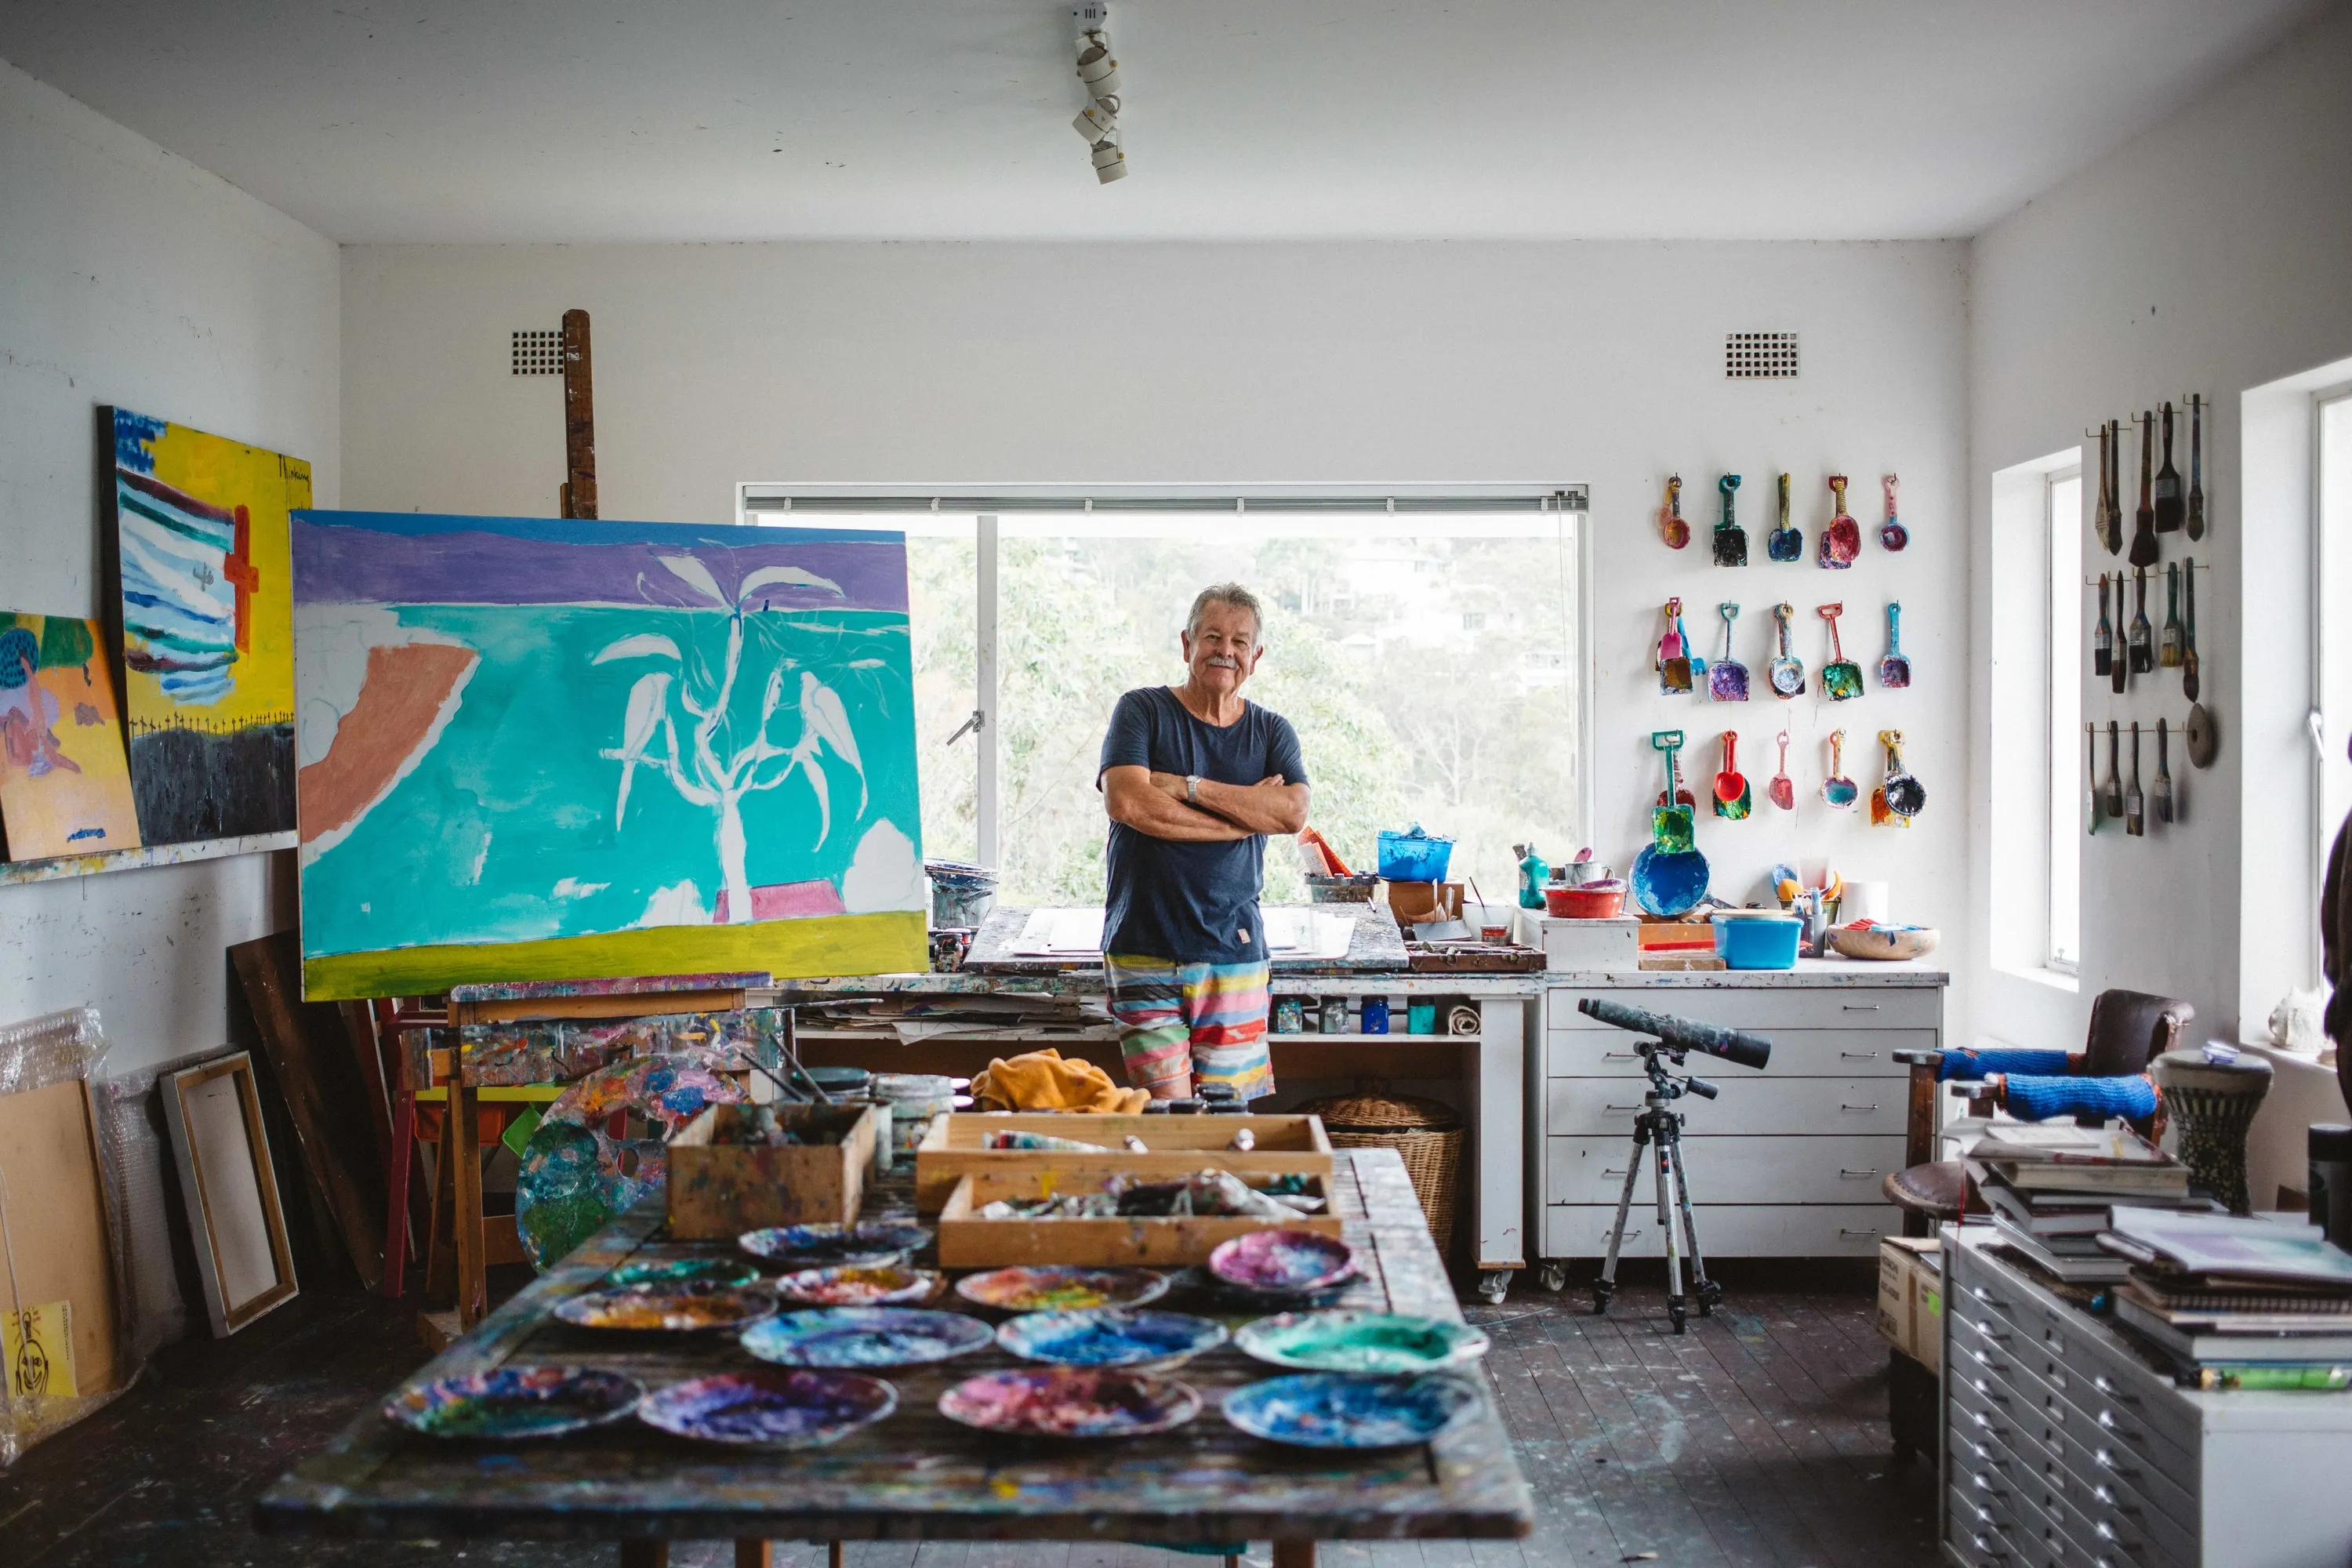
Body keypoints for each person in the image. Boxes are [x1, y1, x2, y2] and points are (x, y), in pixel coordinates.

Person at [1097, 584, 1310, 1102]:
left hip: (1233, 951)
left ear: (1255, 657)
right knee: (1169, 1118)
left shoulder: (1271, 732)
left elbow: (1291, 813)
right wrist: (1242, 819)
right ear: (1187, 643)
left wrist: (1187, 787)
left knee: (1226, 1117)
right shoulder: (1142, 710)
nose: (1225, 651)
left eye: (1240, 642)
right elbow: (1129, 803)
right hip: (1144, 948)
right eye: (1212, 636)